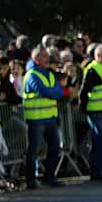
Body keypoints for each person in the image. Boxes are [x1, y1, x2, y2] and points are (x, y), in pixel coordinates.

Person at [22, 46, 67, 190]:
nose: (47, 59)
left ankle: (50, 177)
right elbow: (47, 92)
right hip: (36, 118)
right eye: (43, 56)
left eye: (47, 56)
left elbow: (59, 92)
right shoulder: (32, 75)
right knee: (34, 150)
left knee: (55, 148)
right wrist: (54, 92)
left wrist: (54, 92)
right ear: (36, 59)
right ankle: (30, 180)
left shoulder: (49, 74)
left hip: (50, 118)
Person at [80, 43, 102, 181]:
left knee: (100, 142)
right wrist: (84, 108)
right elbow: (84, 91)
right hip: (97, 111)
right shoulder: (93, 69)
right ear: (99, 56)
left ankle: (97, 171)